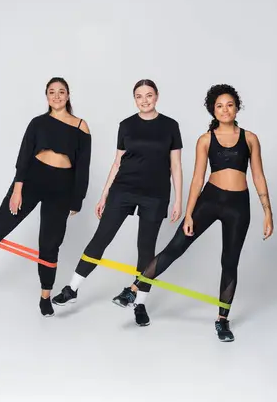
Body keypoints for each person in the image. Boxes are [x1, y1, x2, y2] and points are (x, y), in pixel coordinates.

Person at [130, 84, 274, 341]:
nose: (225, 109)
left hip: (238, 205)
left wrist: (268, 212)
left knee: (230, 262)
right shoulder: (205, 140)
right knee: (176, 246)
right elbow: (197, 179)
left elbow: (259, 176)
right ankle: (133, 289)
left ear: (236, 107)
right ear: (213, 110)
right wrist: (188, 214)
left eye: (229, 104)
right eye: (219, 106)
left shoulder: (250, 138)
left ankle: (222, 320)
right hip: (210, 199)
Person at [0, 77, 91, 318]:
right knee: (0, 223)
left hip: (62, 186)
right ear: (46, 96)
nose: (56, 96)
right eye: (51, 92)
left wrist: (77, 200)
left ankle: (45, 297)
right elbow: (24, 156)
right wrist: (18, 189)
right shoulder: (38, 123)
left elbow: (83, 167)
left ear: (68, 95)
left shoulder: (81, 126)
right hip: (32, 179)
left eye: (61, 92)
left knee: (50, 243)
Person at [52, 79, 183, 326]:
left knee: (146, 249)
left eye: (149, 95)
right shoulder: (126, 125)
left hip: (155, 194)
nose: (144, 100)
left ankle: (139, 302)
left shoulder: (170, 126)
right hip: (123, 189)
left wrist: (178, 199)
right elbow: (117, 162)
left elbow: (175, 165)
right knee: (101, 238)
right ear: (134, 99)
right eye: (139, 96)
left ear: (157, 96)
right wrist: (103, 195)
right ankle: (72, 289)